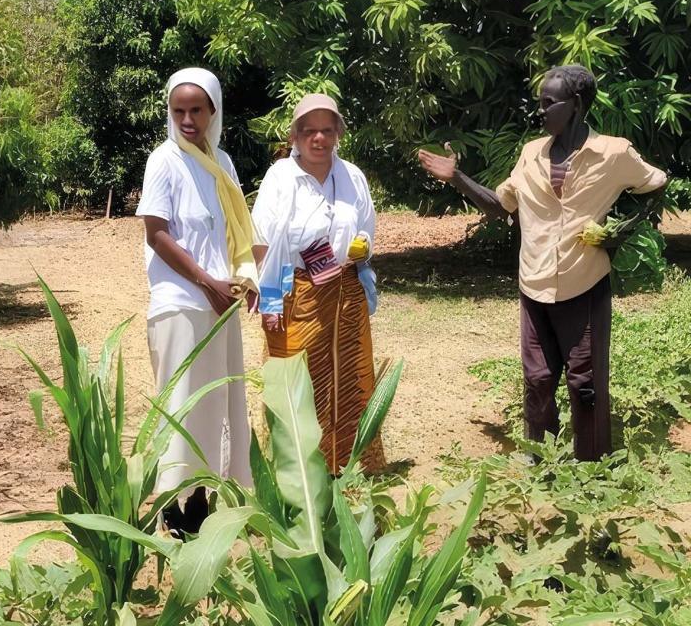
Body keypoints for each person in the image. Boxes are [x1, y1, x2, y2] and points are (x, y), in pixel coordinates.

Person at [417, 65, 667, 461]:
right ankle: (541, 458)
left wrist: (624, 229)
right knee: (537, 379)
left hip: (583, 281)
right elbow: (502, 205)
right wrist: (458, 177)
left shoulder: (614, 153)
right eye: (540, 103)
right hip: (533, 283)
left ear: (577, 105)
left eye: (548, 104)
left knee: (585, 382)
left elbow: (656, 183)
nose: (541, 111)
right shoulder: (531, 153)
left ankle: (592, 464)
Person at [136, 67, 261, 535]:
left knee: (215, 405)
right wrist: (207, 281)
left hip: (219, 300)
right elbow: (157, 233)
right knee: (183, 404)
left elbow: (235, 232)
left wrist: (241, 281)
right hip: (180, 300)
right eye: (178, 111)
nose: (187, 119)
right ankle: (173, 504)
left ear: (213, 111)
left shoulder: (221, 163)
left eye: (196, 110)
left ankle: (202, 498)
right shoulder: (163, 161)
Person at [252, 94, 383, 474]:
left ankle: (348, 462)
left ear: (338, 133)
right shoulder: (280, 178)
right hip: (299, 294)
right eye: (309, 131)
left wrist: (362, 247)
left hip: (346, 291)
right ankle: (298, 467)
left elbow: (367, 227)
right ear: (294, 136)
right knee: (298, 380)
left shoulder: (352, 176)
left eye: (327, 130)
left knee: (350, 376)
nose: (319, 139)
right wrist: (271, 298)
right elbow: (263, 243)